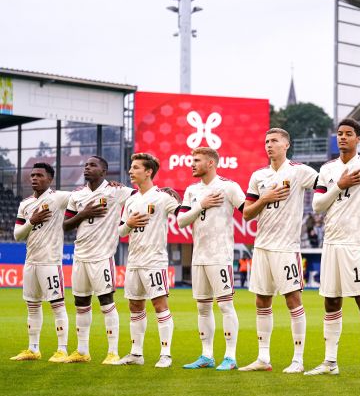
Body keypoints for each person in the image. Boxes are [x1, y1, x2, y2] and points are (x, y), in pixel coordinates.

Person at [304, 118, 360, 378]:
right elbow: (317, 205)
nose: (342, 137)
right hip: (331, 243)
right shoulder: (327, 169)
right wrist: (339, 185)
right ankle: (330, 362)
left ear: (358, 138)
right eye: (339, 134)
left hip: (355, 244)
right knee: (331, 301)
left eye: (348, 134)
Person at [239, 128, 318, 374]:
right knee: (261, 300)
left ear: (287, 144)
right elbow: (247, 213)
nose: (269, 145)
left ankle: (298, 359)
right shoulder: (258, 176)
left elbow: (326, 184)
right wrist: (265, 198)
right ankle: (263, 358)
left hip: (286, 247)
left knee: (293, 300)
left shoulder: (299, 170)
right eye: (266, 141)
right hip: (262, 246)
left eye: (274, 141)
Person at [178, 147, 247, 371]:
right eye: (192, 160)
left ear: (211, 163)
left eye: (196, 160)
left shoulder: (229, 186)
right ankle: (207, 355)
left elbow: (248, 209)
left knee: (226, 305)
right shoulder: (191, 191)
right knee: (203, 308)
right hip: (199, 257)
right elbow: (181, 221)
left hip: (220, 256)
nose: (192, 164)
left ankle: (230, 356)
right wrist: (201, 205)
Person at [62, 156, 134, 364]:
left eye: (93, 165)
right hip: (80, 257)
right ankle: (82, 351)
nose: (87, 167)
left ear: (104, 171)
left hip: (102, 257)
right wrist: (84, 213)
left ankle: (113, 352)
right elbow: (65, 225)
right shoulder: (77, 195)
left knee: (106, 302)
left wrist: (164, 192)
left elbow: (141, 196)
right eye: (86, 165)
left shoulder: (115, 191)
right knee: (81, 302)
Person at [114, 153, 179, 367]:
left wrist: (186, 202)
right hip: (134, 261)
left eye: (135, 168)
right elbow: (121, 231)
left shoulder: (162, 197)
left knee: (160, 305)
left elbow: (182, 213)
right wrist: (130, 222)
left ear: (148, 171)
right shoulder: (131, 199)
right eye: (131, 168)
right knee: (135, 305)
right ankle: (136, 354)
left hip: (154, 261)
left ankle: (166, 354)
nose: (131, 171)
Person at [10, 163, 70, 362]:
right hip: (31, 262)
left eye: (39, 175)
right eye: (32, 175)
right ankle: (33, 348)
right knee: (32, 306)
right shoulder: (25, 204)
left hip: (50, 262)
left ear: (50, 179)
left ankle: (62, 350)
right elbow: (18, 235)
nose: (34, 178)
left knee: (57, 305)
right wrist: (32, 220)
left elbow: (84, 195)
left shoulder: (58, 198)